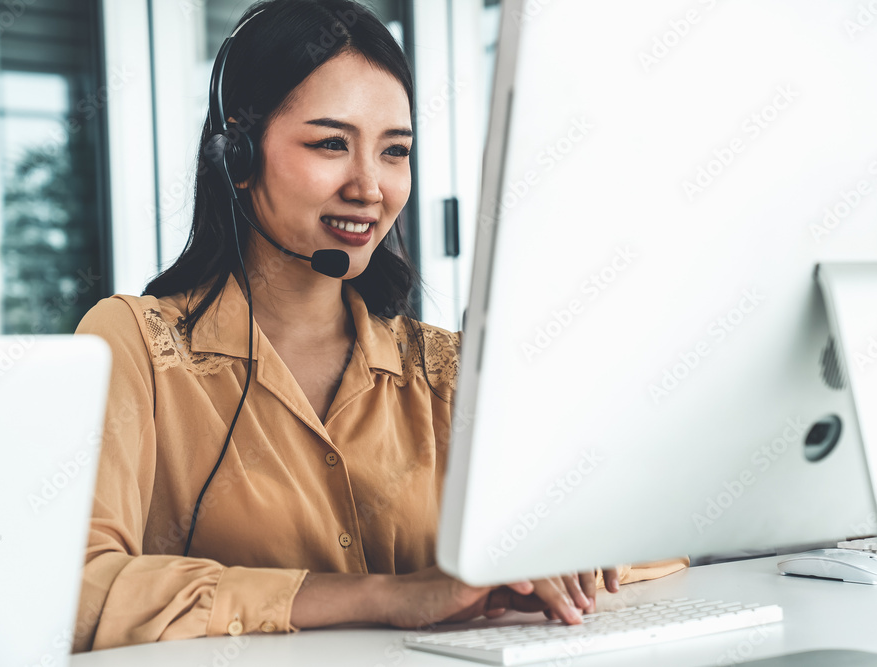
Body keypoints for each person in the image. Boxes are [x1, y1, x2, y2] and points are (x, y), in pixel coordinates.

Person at [72, 0, 687, 652]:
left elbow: (657, 540)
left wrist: (574, 547)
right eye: (330, 144)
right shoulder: (134, 346)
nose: (370, 186)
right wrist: (388, 595)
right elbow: (75, 588)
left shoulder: (449, 374)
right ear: (238, 157)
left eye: (395, 151)